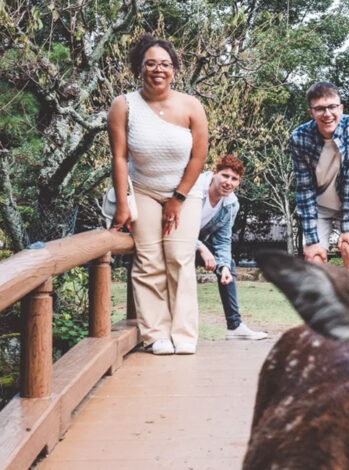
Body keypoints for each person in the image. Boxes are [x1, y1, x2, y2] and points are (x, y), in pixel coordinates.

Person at [108, 34, 208, 355]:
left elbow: (199, 156)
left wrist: (177, 199)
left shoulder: (191, 106)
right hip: (143, 191)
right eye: (150, 63)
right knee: (149, 259)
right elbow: (119, 158)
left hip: (185, 192)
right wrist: (123, 204)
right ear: (140, 68)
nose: (158, 69)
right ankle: (155, 334)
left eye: (165, 64)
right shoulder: (124, 106)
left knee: (179, 258)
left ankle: (184, 334)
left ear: (174, 70)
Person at [290, 82, 349, 274]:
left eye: (332, 107)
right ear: (311, 113)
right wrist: (312, 241)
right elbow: (305, 190)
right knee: (314, 257)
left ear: (340, 108)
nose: (327, 114)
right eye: (320, 109)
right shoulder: (299, 138)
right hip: (318, 207)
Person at [195, 155, 268, 341]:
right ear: (214, 174)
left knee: (229, 264)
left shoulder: (230, 204)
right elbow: (177, 226)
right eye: (225, 176)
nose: (228, 182)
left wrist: (224, 267)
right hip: (174, 240)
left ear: (239, 182)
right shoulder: (195, 188)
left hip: (196, 245)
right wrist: (201, 247)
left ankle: (235, 326)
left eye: (234, 179)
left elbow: (223, 240)